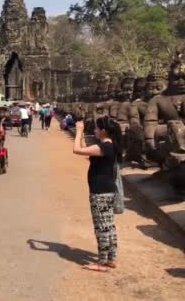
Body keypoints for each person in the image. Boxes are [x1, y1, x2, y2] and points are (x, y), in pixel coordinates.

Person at [73, 116, 122, 272]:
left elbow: (76, 150)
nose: (94, 130)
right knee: (109, 225)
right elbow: (83, 148)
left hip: (100, 192)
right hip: (107, 190)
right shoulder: (109, 146)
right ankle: (111, 258)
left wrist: (79, 130)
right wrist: (80, 135)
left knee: (101, 227)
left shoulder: (105, 147)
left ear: (103, 131)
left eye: (96, 128)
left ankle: (101, 262)